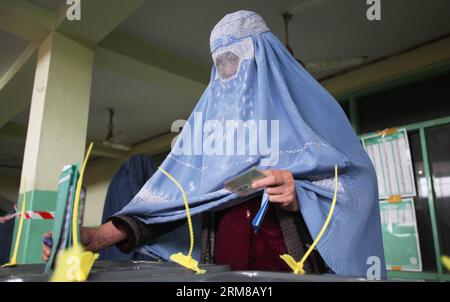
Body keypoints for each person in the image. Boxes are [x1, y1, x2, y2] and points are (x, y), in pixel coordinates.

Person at [43, 10, 386, 278]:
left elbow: (358, 184)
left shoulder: (310, 119)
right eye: (220, 63)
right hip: (221, 275)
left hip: (293, 270)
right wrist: (97, 238)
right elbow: (172, 200)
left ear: (267, 58)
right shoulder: (206, 129)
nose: (229, 71)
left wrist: (301, 196)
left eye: (236, 59)